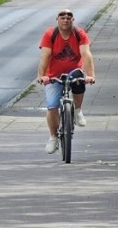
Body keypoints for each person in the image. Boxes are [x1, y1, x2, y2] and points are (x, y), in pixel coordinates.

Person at [36, 9, 96, 154]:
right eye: (62, 17)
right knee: (52, 106)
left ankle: (77, 111)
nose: (66, 19)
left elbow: (86, 54)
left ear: (73, 20)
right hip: (53, 75)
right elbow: (45, 56)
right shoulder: (50, 34)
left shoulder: (79, 34)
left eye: (69, 17)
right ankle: (53, 137)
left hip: (73, 71)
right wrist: (41, 75)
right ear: (57, 20)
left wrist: (91, 75)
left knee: (79, 80)